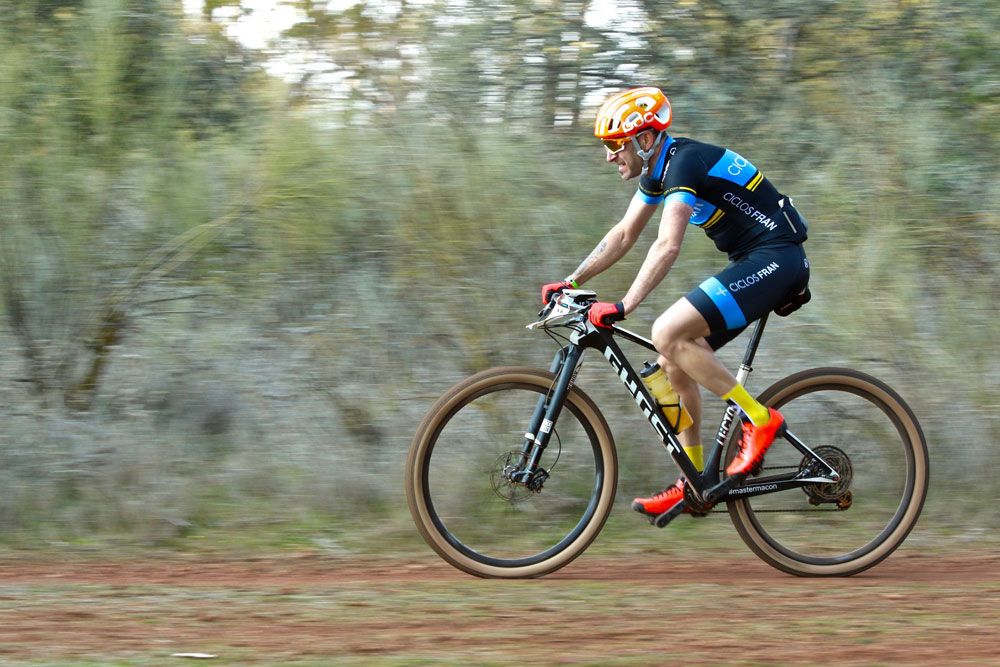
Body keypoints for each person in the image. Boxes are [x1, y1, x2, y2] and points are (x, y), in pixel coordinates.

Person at [541, 86, 810, 519]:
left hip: (777, 256)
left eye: (615, 144)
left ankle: (760, 418)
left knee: (665, 331)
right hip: (756, 259)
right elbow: (625, 234)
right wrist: (572, 279)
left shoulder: (684, 162)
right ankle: (697, 483)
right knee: (671, 363)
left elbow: (667, 245)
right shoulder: (658, 171)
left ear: (645, 140)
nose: (610, 155)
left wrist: (624, 304)